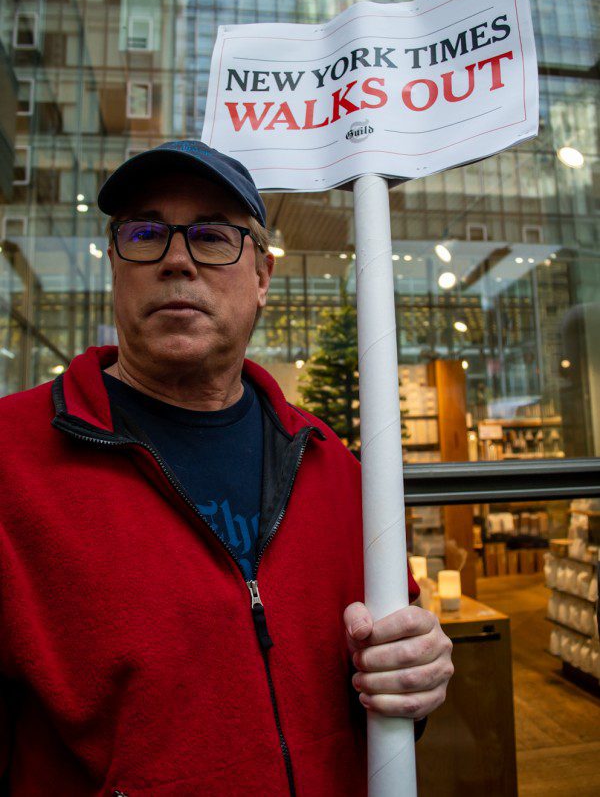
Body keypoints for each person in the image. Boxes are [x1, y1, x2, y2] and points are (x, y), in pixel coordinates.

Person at [0, 141, 453, 795]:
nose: (177, 260)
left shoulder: (334, 469)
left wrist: (416, 673)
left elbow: (392, 674)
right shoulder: (13, 460)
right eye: (146, 233)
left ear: (263, 278)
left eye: (213, 237)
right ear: (114, 266)